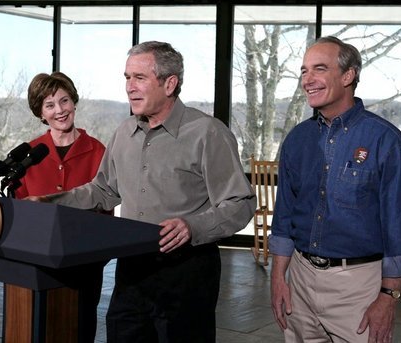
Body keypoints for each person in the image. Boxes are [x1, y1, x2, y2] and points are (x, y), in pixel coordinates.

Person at [26, 41, 256, 342]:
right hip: (132, 271)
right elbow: (103, 190)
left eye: (139, 78)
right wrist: (50, 201)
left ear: (170, 83)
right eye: (126, 78)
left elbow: (240, 203)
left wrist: (192, 226)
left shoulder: (208, 133)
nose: (129, 87)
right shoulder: (124, 132)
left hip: (187, 272)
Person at [270, 36, 401, 343]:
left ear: (348, 75)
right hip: (299, 276)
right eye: (304, 71)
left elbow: (400, 229)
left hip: (358, 286)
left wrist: (389, 296)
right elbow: (284, 214)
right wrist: (278, 277)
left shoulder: (386, 141)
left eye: (319, 69)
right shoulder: (297, 139)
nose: (308, 80)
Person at [16, 71, 108, 342]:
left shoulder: (98, 151)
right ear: (40, 113)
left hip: (84, 259)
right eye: (50, 105)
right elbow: (18, 207)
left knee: (80, 326)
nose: (60, 110)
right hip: (37, 259)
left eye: (64, 101)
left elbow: (104, 207)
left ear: (74, 102)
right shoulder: (29, 154)